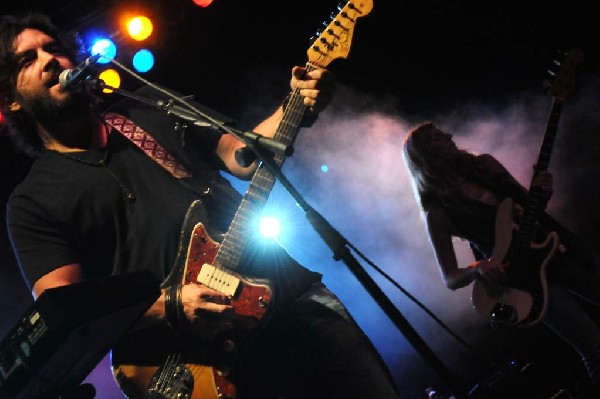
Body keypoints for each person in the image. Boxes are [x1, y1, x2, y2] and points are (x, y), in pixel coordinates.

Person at [0, 12, 402, 399]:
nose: (49, 60)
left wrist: (296, 104)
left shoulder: (145, 108)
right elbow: (69, 311)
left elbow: (241, 154)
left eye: (53, 47)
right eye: (27, 60)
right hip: (191, 361)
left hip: (290, 293)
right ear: (11, 100)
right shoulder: (32, 202)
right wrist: (171, 305)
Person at [402, 121, 600, 396]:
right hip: (525, 278)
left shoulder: (485, 165)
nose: (448, 135)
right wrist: (477, 267)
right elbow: (449, 277)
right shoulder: (437, 211)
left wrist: (542, 192)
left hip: (558, 249)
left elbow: (528, 208)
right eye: (437, 138)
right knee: (592, 343)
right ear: (425, 154)